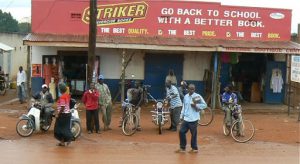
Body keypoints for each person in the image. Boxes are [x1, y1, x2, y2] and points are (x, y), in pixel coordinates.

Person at [177, 84, 207, 153]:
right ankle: (182, 148)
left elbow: (204, 105)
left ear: (194, 89)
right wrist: (181, 116)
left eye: (193, 89)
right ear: (188, 89)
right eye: (190, 89)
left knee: (193, 134)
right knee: (181, 131)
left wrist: (196, 105)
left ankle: (194, 149)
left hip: (194, 119)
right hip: (186, 118)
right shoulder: (185, 97)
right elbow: (184, 107)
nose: (192, 90)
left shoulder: (197, 96)